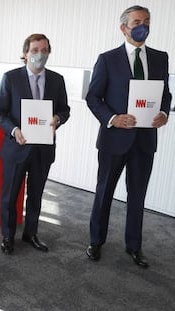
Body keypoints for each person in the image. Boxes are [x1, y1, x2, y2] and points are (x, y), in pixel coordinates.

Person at [85, 5, 171, 268]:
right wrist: (113, 118)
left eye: (146, 21)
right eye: (136, 22)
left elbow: (165, 94)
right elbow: (93, 97)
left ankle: (134, 246)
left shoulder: (160, 57)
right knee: (104, 192)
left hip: (144, 141)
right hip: (114, 140)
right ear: (123, 28)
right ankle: (96, 241)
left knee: (137, 196)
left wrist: (164, 113)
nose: (141, 26)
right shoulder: (107, 59)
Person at [0, 34, 70, 255]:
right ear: (25, 53)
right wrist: (14, 130)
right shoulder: (10, 78)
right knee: (10, 195)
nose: (40, 54)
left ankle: (31, 233)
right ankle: (8, 236)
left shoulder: (57, 80)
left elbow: (64, 109)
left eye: (44, 50)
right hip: (16, 147)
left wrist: (58, 119)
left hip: (43, 149)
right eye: (35, 50)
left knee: (36, 194)